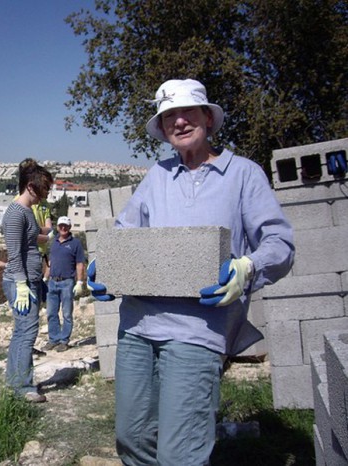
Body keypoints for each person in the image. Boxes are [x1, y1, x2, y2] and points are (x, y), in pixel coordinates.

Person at [101, 79, 295, 465]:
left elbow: (280, 243)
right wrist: (104, 265)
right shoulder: (158, 175)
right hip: (137, 327)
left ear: (208, 117)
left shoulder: (243, 174)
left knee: (180, 454)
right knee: (132, 439)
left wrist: (248, 268)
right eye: (169, 115)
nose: (179, 121)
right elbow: (125, 231)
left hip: (197, 332)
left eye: (187, 111)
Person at [1, 157, 53, 403]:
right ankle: (21, 386)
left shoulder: (27, 211)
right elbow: (13, 253)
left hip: (29, 279)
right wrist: (21, 284)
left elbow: (31, 242)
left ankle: (16, 382)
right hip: (20, 281)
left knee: (22, 331)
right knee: (27, 332)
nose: (46, 194)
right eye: (44, 189)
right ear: (30, 187)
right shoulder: (15, 214)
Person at [43, 216, 85, 352]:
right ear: (57, 227)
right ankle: (53, 339)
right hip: (52, 282)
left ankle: (64, 340)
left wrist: (79, 282)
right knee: (51, 313)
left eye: (65, 226)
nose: (63, 228)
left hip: (67, 282)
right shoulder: (53, 242)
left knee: (67, 313)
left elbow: (80, 263)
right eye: (61, 225)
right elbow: (50, 263)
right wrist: (45, 278)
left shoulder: (75, 243)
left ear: (69, 227)